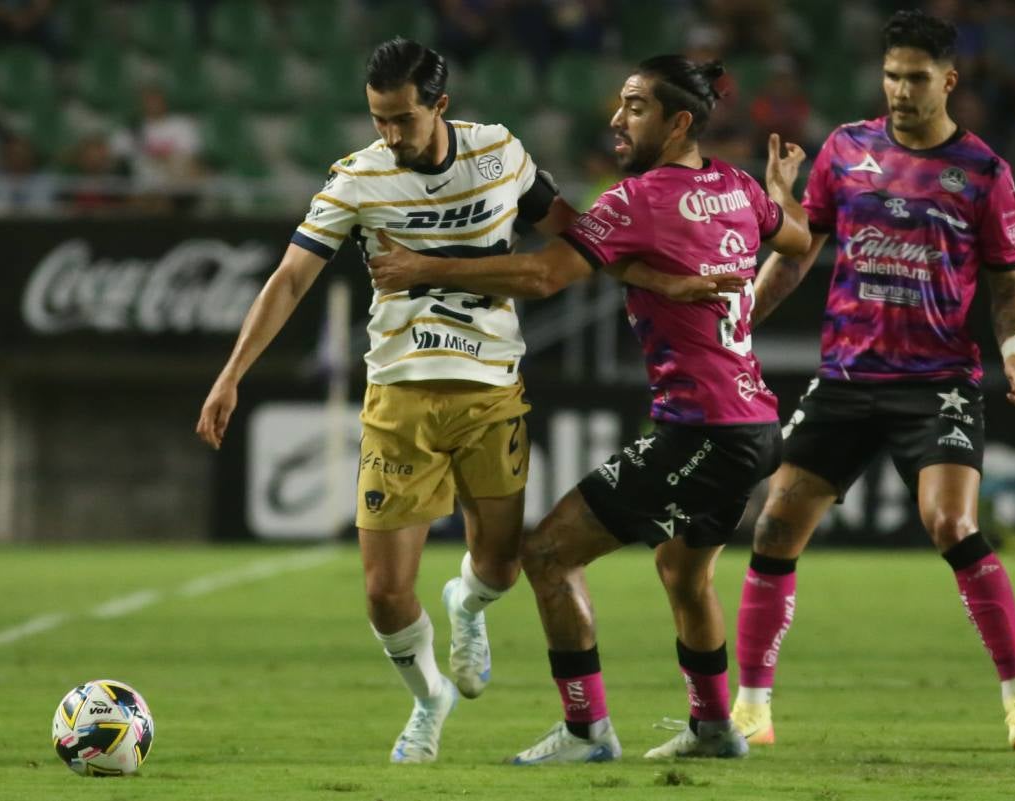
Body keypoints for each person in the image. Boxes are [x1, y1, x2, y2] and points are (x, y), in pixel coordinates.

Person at [196, 37, 711, 765]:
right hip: (398, 397)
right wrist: (231, 373)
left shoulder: (499, 153)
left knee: (499, 567)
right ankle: (427, 696)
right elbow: (288, 278)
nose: (390, 134)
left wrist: (660, 280)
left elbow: (575, 235)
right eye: (378, 119)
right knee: (382, 593)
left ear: (440, 105)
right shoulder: (357, 179)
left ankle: (465, 604)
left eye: (403, 118)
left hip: (492, 394)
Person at [370, 55, 811, 763]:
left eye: (634, 107)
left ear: (678, 122)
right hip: (754, 423)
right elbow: (797, 238)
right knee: (685, 572)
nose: (616, 118)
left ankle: (587, 731)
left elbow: (546, 273)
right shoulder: (736, 186)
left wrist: (422, 267)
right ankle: (714, 726)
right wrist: (780, 199)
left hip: (704, 429)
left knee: (546, 554)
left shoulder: (635, 199)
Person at [728, 9, 1015, 752]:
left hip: (936, 380)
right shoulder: (846, 150)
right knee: (776, 526)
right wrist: (740, 313)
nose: (901, 90)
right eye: (891, 75)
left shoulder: (984, 173)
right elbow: (798, 252)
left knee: (951, 524)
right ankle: (751, 708)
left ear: (948, 80)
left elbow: (1008, 286)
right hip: (846, 376)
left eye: (915, 77)